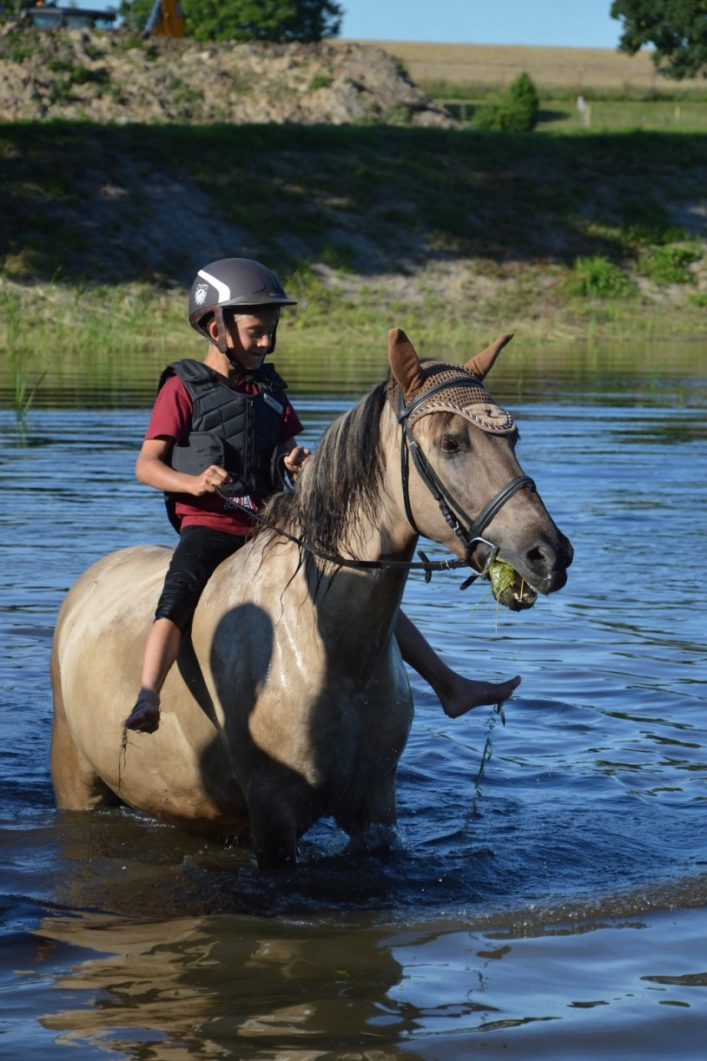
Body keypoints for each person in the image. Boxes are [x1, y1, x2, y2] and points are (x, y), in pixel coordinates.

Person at [125, 257, 520, 733]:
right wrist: (192, 484)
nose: (267, 341)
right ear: (215, 327)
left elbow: (288, 449)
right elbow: (146, 466)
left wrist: (296, 461)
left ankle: (448, 686)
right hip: (212, 525)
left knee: (357, 580)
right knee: (180, 591)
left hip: (273, 527)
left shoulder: (271, 392)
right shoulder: (182, 388)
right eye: (256, 332)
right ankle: (149, 693)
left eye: (272, 330)